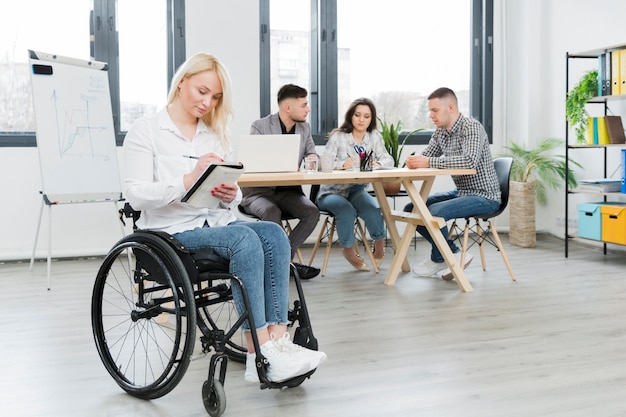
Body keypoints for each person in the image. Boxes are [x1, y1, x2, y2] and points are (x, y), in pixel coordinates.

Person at [123, 52, 326, 384]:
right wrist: (188, 180)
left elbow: (227, 201)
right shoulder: (146, 131)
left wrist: (233, 197)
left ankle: (278, 342)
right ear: (182, 82)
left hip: (214, 225)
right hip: (169, 232)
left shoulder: (212, 134)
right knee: (244, 238)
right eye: (202, 91)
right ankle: (257, 352)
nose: (207, 102)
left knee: (273, 233)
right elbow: (136, 194)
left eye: (215, 97)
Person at [403, 87, 501, 279]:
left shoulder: (471, 127)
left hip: (484, 195)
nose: (431, 115)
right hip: (462, 192)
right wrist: (415, 161)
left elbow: (468, 161)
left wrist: (428, 162)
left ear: (450, 107)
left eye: (435, 110)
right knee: (411, 208)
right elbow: (428, 156)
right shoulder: (441, 132)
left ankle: (441, 258)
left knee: (432, 212)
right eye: (429, 110)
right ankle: (451, 254)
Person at [240, 84, 321, 280]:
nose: (308, 109)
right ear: (287, 107)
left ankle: (283, 260)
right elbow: (252, 159)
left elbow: (312, 153)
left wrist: (312, 159)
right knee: (271, 211)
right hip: (259, 193)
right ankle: (282, 265)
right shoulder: (260, 126)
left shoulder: (304, 128)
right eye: (303, 105)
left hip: (289, 193)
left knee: (312, 212)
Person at [316, 97, 392, 271]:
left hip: (356, 189)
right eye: (357, 115)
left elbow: (388, 158)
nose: (361, 120)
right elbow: (324, 162)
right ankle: (349, 251)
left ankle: (379, 247)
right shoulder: (338, 137)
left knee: (373, 209)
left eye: (366, 116)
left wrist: (378, 164)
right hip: (331, 192)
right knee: (346, 210)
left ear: (371, 119)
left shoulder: (374, 137)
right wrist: (343, 164)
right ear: (351, 116)